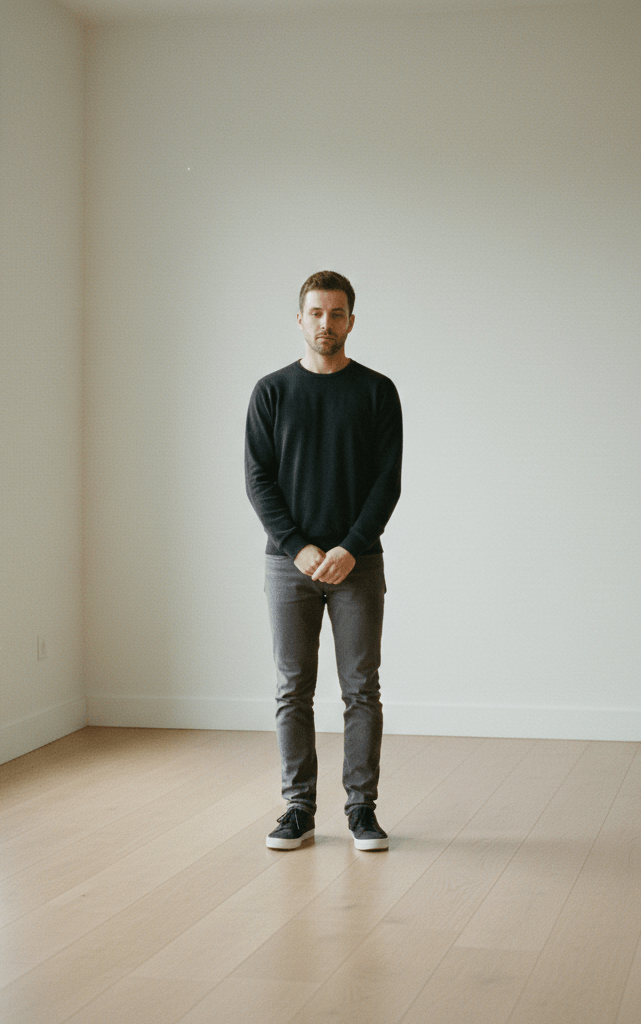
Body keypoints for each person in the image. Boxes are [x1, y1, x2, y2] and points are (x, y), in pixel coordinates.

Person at [245, 271, 402, 852]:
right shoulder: (271, 392)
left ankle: (362, 809)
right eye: (316, 312)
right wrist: (299, 547)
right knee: (293, 688)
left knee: (361, 688)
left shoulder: (377, 392)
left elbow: (387, 483)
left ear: (351, 322)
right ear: (300, 319)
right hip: (289, 566)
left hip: (358, 564)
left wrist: (348, 547)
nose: (326, 324)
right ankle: (298, 808)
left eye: (337, 314)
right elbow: (258, 481)